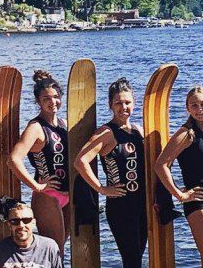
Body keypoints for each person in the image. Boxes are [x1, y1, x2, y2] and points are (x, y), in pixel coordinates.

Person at [73, 77, 147, 268]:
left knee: (137, 258)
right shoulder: (107, 132)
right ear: (110, 105)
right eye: (118, 103)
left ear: (134, 103)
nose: (124, 107)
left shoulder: (138, 130)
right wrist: (102, 189)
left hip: (142, 204)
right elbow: (80, 161)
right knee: (132, 261)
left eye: (127, 102)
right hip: (121, 206)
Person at [8, 70, 70, 255]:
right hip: (48, 196)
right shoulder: (35, 127)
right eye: (46, 98)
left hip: (68, 193)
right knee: (53, 250)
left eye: (56, 97)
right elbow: (13, 160)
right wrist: (36, 186)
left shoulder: (64, 124)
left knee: (59, 250)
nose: (53, 102)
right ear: (38, 101)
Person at [155, 86, 203, 267]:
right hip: (198, 201)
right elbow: (161, 165)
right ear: (187, 108)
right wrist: (180, 195)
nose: (199, 110)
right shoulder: (186, 134)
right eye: (194, 105)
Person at [0, 202, 62, 268]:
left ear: (33, 222)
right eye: (15, 221)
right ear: (9, 225)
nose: (21, 225)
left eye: (26, 220)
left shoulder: (49, 247)